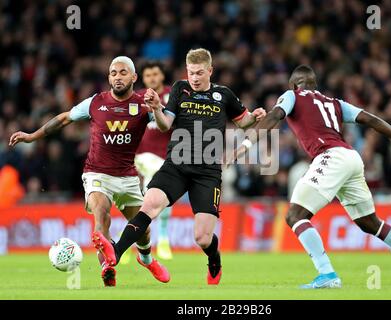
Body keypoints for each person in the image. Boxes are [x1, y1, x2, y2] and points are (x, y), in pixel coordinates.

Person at [229, 65, 391, 289]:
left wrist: (247, 143)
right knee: (370, 223)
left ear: (293, 85)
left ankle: (327, 274)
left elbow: (275, 115)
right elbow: (370, 119)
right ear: (315, 85)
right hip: (351, 158)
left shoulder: (292, 95)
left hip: (330, 157)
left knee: (295, 215)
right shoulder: (335, 103)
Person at [92, 48, 266, 285]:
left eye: (199, 73)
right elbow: (165, 125)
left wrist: (256, 116)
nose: (194, 77)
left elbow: (245, 122)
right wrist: (156, 108)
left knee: (202, 238)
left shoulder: (223, 95)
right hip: (176, 165)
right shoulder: (179, 89)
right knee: (150, 205)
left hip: (207, 172)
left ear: (210, 71)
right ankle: (116, 252)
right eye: (191, 72)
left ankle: (214, 259)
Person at [9, 56, 170, 287]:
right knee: (101, 213)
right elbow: (64, 119)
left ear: (134, 77)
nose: (117, 77)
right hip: (97, 174)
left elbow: (165, 126)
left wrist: (157, 108)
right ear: (108, 77)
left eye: (123, 72)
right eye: (113, 73)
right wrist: (32, 136)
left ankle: (146, 259)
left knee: (142, 230)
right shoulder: (95, 102)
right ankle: (107, 266)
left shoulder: (144, 104)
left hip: (127, 177)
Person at [135, 61, 174, 260]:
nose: (152, 78)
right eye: (148, 75)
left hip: (163, 156)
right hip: (137, 156)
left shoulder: (171, 96)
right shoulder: (137, 97)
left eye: (155, 74)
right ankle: (159, 237)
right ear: (143, 78)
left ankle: (162, 237)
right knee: (137, 199)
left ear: (162, 76)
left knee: (155, 195)